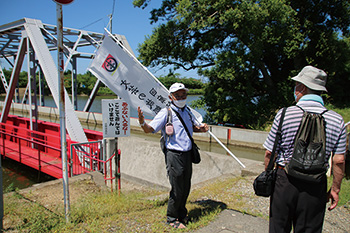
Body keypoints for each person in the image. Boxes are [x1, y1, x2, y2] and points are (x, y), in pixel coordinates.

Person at [263, 66, 346, 233]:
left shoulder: (285, 114)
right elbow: (339, 160)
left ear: (302, 87)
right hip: (315, 185)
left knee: (279, 228)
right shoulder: (337, 120)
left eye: (296, 85)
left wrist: (268, 175)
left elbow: (270, 152)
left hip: (285, 181)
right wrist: (335, 189)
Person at [137, 83, 209, 229]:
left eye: (184, 95)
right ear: (171, 97)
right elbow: (149, 130)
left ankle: (182, 214)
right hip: (174, 154)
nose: (181, 98)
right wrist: (141, 121)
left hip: (187, 153)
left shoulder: (188, 111)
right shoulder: (166, 113)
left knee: (186, 185)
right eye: (178, 95)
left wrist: (203, 128)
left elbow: (193, 128)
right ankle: (171, 218)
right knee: (177, 188)